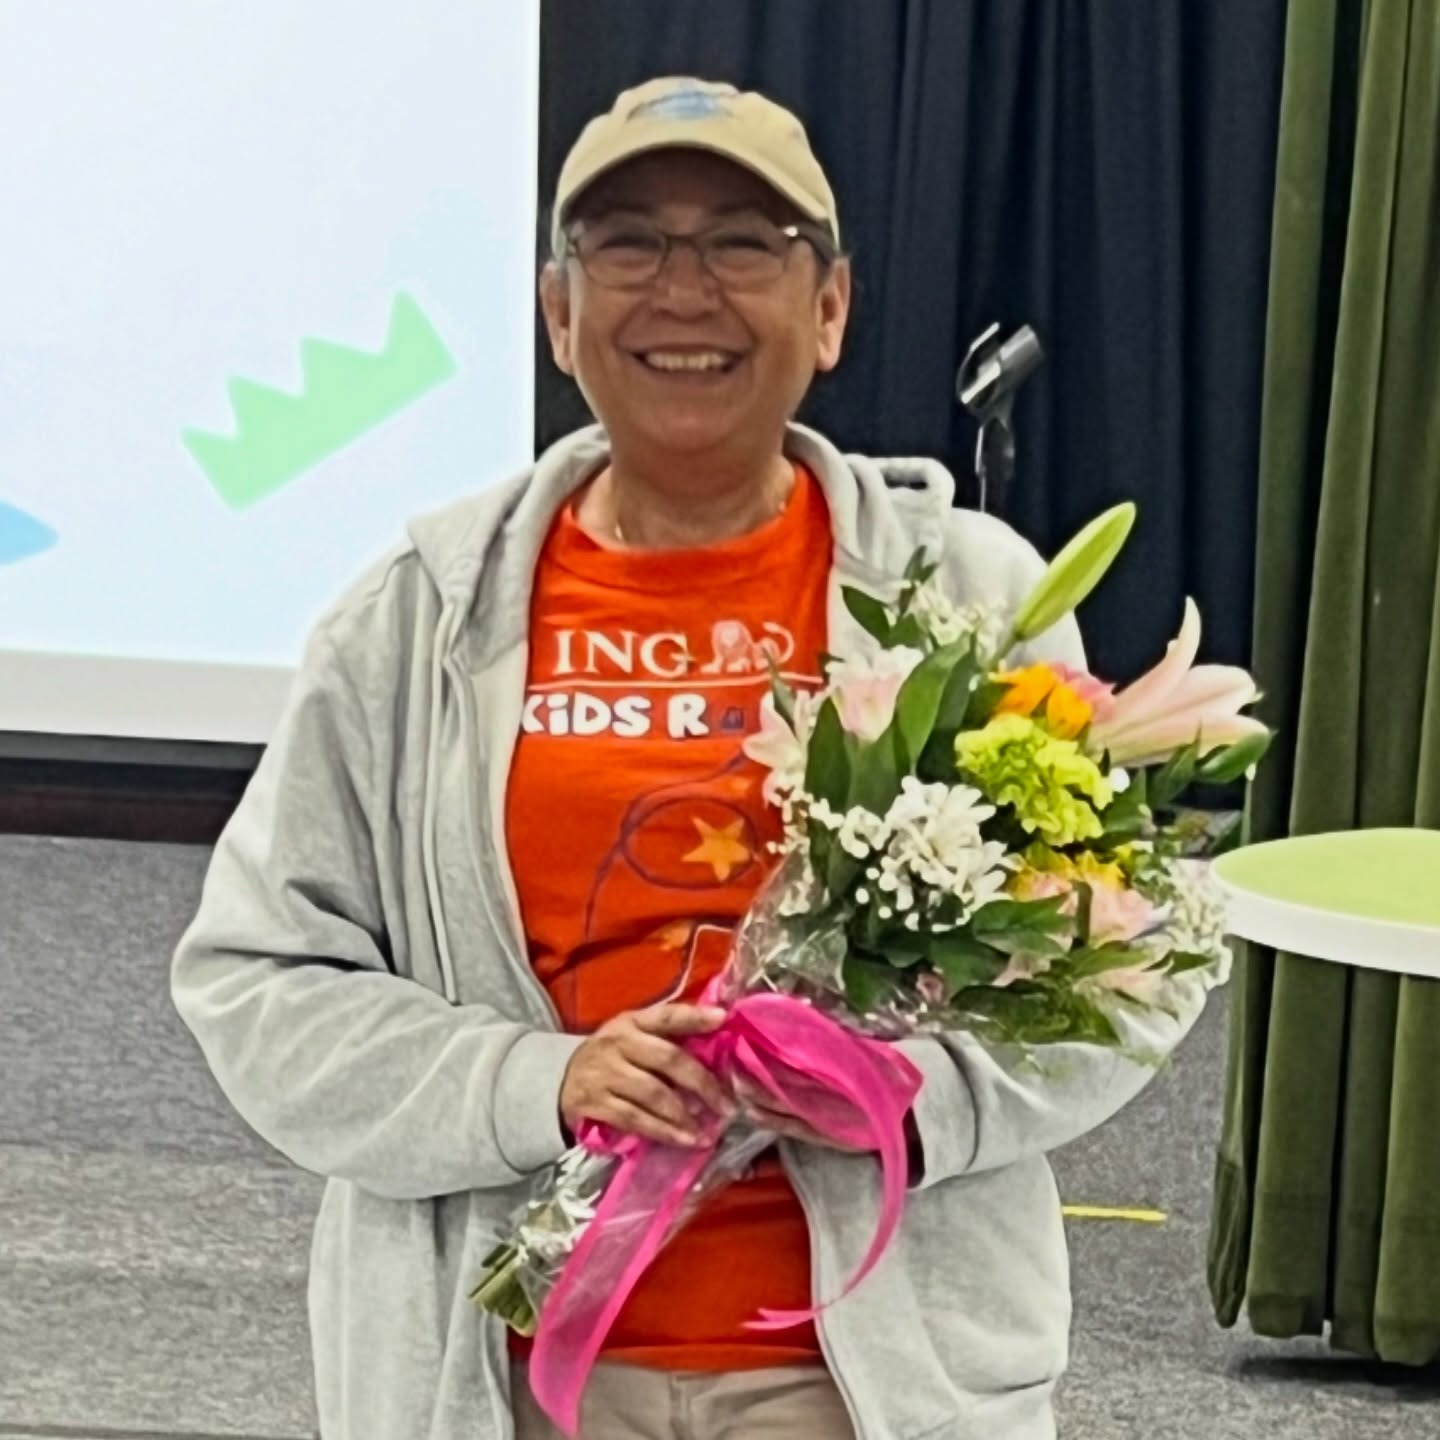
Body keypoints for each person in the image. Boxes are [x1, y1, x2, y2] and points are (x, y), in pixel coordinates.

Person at [172, 76, 1209, 1440]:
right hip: (507, 1364)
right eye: (630, 245)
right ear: (558, 312)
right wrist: (537, 1083)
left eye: (742, 244)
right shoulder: (417, 615)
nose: (684, 291)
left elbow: (1137, 960)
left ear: (829, 307)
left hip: (866, 1380)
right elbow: (258, 980)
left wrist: (899, 1101)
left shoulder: (971, 595)